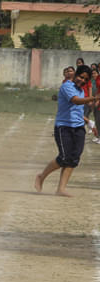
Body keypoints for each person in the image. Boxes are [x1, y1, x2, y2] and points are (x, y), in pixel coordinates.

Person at [35, 64, 97, 196]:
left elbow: (78, 112)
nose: (83, 81)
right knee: (64, 157)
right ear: (76, 75)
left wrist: (90, 123)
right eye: (81, 77)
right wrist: (93, 98)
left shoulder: (81, 90)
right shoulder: (67, 86)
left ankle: (61, 189)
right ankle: (41, 176)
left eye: (86, 79)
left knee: (74, 158)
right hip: (64, 127)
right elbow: (75, 101)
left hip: (79, 128)